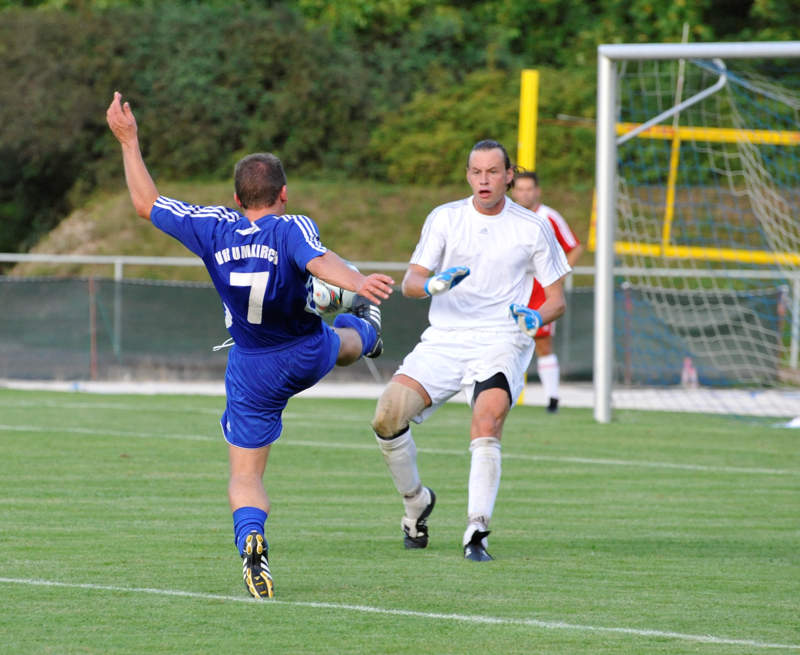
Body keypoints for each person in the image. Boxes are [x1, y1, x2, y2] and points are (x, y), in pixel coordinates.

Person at [106, 91, 394, 599]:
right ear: (284, 194)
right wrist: (357, 281)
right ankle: (368, 332)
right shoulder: (292, 226)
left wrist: (129, 141)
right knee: (341, 342)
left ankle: (251, 541)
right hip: (305, 351)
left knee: (245, 475)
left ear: (237, 199)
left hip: (253, 367)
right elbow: (316, 259)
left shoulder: (212, 226)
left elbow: (145, 203)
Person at [370, 140, 570, 562]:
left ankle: (477, 530)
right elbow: (411, 283)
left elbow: (557, 299)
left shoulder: (533, 227)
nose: (484, 180)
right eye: (476, 172)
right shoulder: (445, 217)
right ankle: (416, 502)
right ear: (467, 175)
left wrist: (535, 317)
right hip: (445, 338)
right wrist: (433, 284)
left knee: (487, 418)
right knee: (387, 416)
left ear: (509, 176)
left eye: (493, 171)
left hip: (501, 339)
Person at [511, 171, 584, 413]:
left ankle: (552, 399)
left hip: (540, 290)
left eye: (529, 189)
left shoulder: (549, 217)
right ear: (513, 191)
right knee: (506, 341)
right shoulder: (507, 216)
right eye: (520, 189)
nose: (524, 194)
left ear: (537, 191)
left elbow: (574, 247)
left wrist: (560, 275)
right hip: (511, 288)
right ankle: (503, 395)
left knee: (542, 343)